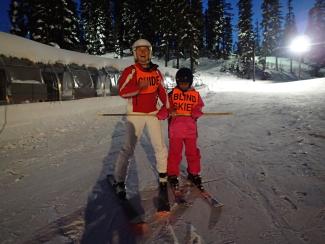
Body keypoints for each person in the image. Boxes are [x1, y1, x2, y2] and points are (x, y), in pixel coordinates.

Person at [111, 39, 169, 199]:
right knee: (128, 148)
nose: (143, 52)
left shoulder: (156, 72)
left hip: (152, 113)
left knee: (160, 147)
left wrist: (165, 107)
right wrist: (139, 87)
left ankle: (163, 178)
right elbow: (122, 91)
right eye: (139, 50)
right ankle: (119, 181)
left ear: (150, 52)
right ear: (134, 53)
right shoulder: (131, 70)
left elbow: (163, 91)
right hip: (135, 113)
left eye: (146, 49)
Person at [158, 67, 205, 191]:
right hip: (176, 131)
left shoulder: (195, 95)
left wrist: (196, 112)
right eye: (181, 83)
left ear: (190, 82)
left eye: (186, 83)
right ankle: (172, 174)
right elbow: (165, 108)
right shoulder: (173, 94)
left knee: (193, 153)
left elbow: (199, 108)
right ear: (177, 82)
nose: (183, 86)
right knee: (175, 154)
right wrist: (166, 112)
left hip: (190, 131)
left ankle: (194, 173)